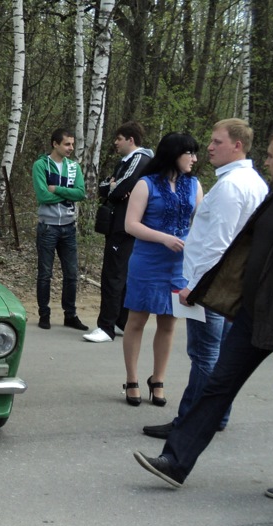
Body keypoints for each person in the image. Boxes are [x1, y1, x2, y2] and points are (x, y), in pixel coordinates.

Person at [133, 128, 273, 501]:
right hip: (254, 311)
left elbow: (217, 241)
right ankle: (175, 462)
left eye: (271, 154)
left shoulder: (237, 186)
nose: (265, 160)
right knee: (218, 383)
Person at [142, 119, 267, 438]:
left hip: (213, 287)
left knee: (205, 355)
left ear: (237, 145)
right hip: (229, 285)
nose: (209, 148)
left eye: (217, 142)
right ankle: (216, 416)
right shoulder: (254, 181)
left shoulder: (231, 186)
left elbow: (219, 244)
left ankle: (192, 422)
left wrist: (195, 287)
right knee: (220, 354)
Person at [120, 132, 202, 406]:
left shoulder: (194, 185)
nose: (194, 159)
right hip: (148, 260)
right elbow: (130, 225)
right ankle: (131, 379)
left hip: (180, 265)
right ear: (173, 154)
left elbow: (200, 225)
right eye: (189, 153)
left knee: (169, 323)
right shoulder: (146, 184)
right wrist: (163, 237)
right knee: (137, 320)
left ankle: (158, 379)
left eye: (195, 153)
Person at [84, 122, 154, 343]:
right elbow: (104, 187)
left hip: (125, 227)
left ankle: (106, 327)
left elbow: (120, 187)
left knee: (113, 275)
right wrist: (112, 187)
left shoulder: (140, 160)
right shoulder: (126, 162)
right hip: (120, 225)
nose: (115, 142)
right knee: (121, 275)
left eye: (119, 138)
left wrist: (115, 187)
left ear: (130, 140)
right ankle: (120, 320)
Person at [32, 128, 88, 331]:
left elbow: (81, 193)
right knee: (45, 273)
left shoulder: (74, 167)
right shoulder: (40, 165)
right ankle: (44, 314)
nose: (70, 148)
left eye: (72, 144)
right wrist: (68, 194)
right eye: (67, 144)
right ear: (55, 144)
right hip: (48, 227)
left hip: (68, 227)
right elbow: (42, 196)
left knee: (71, 274)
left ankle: (70, 315)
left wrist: (56, 189)